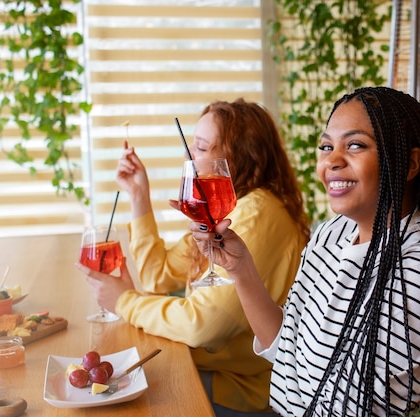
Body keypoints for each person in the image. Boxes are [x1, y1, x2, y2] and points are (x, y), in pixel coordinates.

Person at [189, 87, 420, 416]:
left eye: (355, 145)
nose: (332, 161)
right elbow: (286, 345)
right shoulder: (331, 233)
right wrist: (241, 269)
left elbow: (351, 407)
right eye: (327, 146)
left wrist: (291, 378)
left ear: (409, 164)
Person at [75, 98, 311, 416]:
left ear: (239, 156)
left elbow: (201, 326)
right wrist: (138, 195)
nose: (188, 156)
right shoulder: (228, 209)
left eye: (199, 148)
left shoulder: (255, 213)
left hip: (242, 388)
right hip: (210, 368)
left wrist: (124, 302)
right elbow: (159, 276)